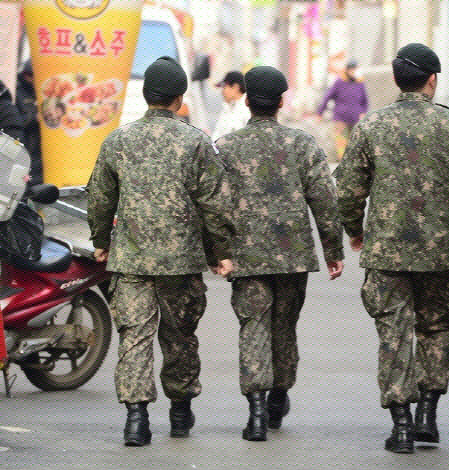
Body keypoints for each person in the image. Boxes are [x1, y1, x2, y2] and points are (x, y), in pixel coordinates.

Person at [334, 44, 449, 454]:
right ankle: (428, 414)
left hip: (387, 252)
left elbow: (348, 191)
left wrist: (355, 231)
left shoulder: (371, 127)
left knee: (393, 332)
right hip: (439, 253)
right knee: (436, 327)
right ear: (432, 80)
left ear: (395, 80)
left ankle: (402, 424)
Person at [87, 56, 234, 447]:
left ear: (145, 94)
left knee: (134, 337)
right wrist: (220, 251)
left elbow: (100, 198)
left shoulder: (118, 140)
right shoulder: (196, 141)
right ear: (180, 98)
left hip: (130, 261)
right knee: (180, 336)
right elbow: (215, 204)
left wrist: (101, 241)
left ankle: (136, 420)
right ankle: (181, 409)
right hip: (181, 262)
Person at [216, 65, 344, 442]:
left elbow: (214, 204)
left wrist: (218, 250)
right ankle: (278, 399)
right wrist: (333, 248)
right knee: (284, 327)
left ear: (247, 100)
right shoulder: (303, 145)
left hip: (246, 256)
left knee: (253, 326)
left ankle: (255, 414)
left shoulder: (226, 146)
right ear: (281, 102)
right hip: (293, 257)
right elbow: (324, 199)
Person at [317, 60, 369, 160]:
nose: (353, 72)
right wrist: (320, 112)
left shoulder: (360, 83)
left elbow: (365, 100)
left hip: (355, 117)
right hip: (340, 117)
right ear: (347, 70)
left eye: (355, 70)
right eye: (351, 70)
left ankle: (352, 160)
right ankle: (343, 160)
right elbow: (327, 97)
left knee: (354, 140)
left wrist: (363, 112)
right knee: (341, 141)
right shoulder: (339, 82)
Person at [16, 60, 43, 184]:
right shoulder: (15, 92)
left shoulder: (42, 90)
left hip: (44, 155)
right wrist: (34, 118)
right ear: (27, 76)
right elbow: (11, 124)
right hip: (25, 153)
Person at [211, 70, 251, 141]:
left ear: (236, 87)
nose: (222, 92)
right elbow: (218, 133)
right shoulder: (228, 107)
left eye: (224, 87)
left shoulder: (247, 109)